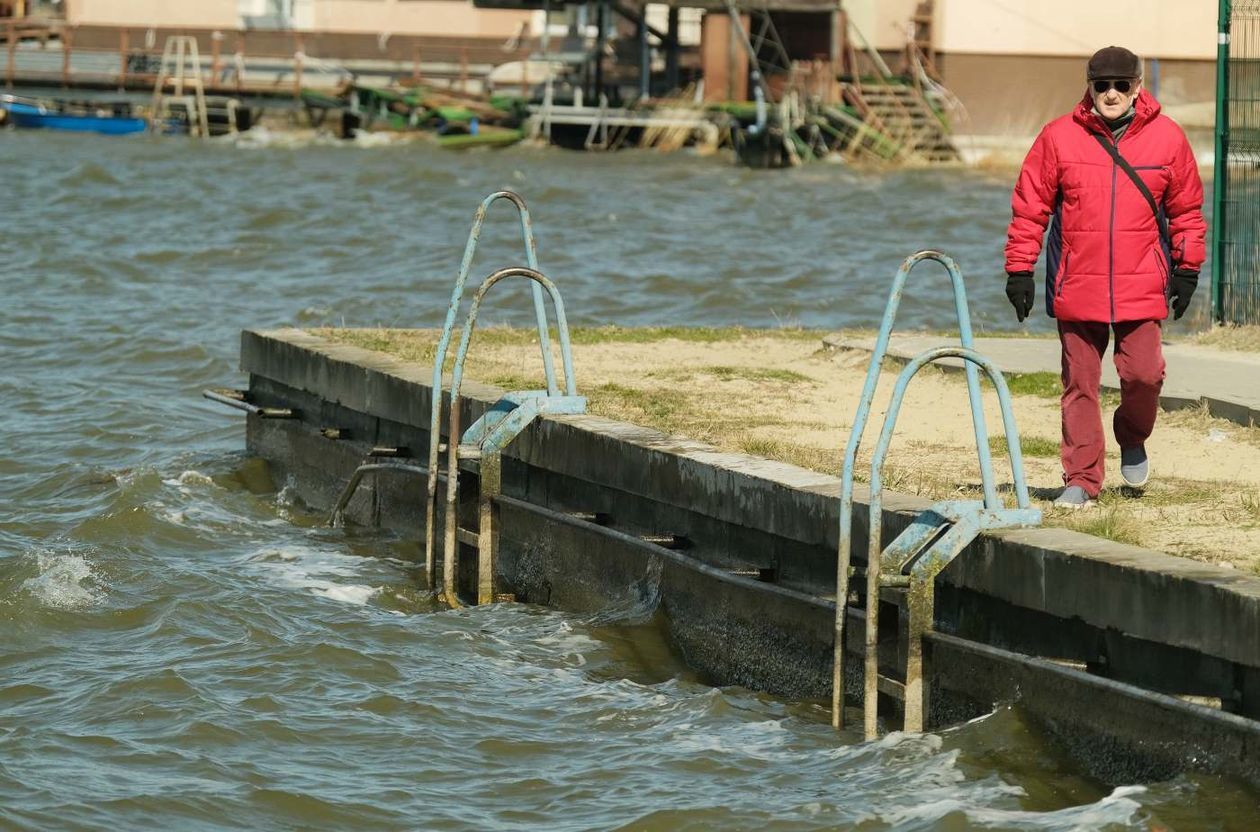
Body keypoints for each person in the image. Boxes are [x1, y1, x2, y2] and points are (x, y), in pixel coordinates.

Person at [1003, 45, 1206, 509]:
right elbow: (1029, 209)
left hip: (1142, 283)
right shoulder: (1057, 138)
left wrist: (1188, 268)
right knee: (1080, 383)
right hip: (1078, 281)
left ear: (1137, 87)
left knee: (1144, 375)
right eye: (1102, 85)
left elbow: (1187, 212)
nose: (1111, 94)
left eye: (1120, 85)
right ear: (1089, 86)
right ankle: (1081, 478)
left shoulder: (1169, 139)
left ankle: (1131, 436)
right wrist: (1019, 268)